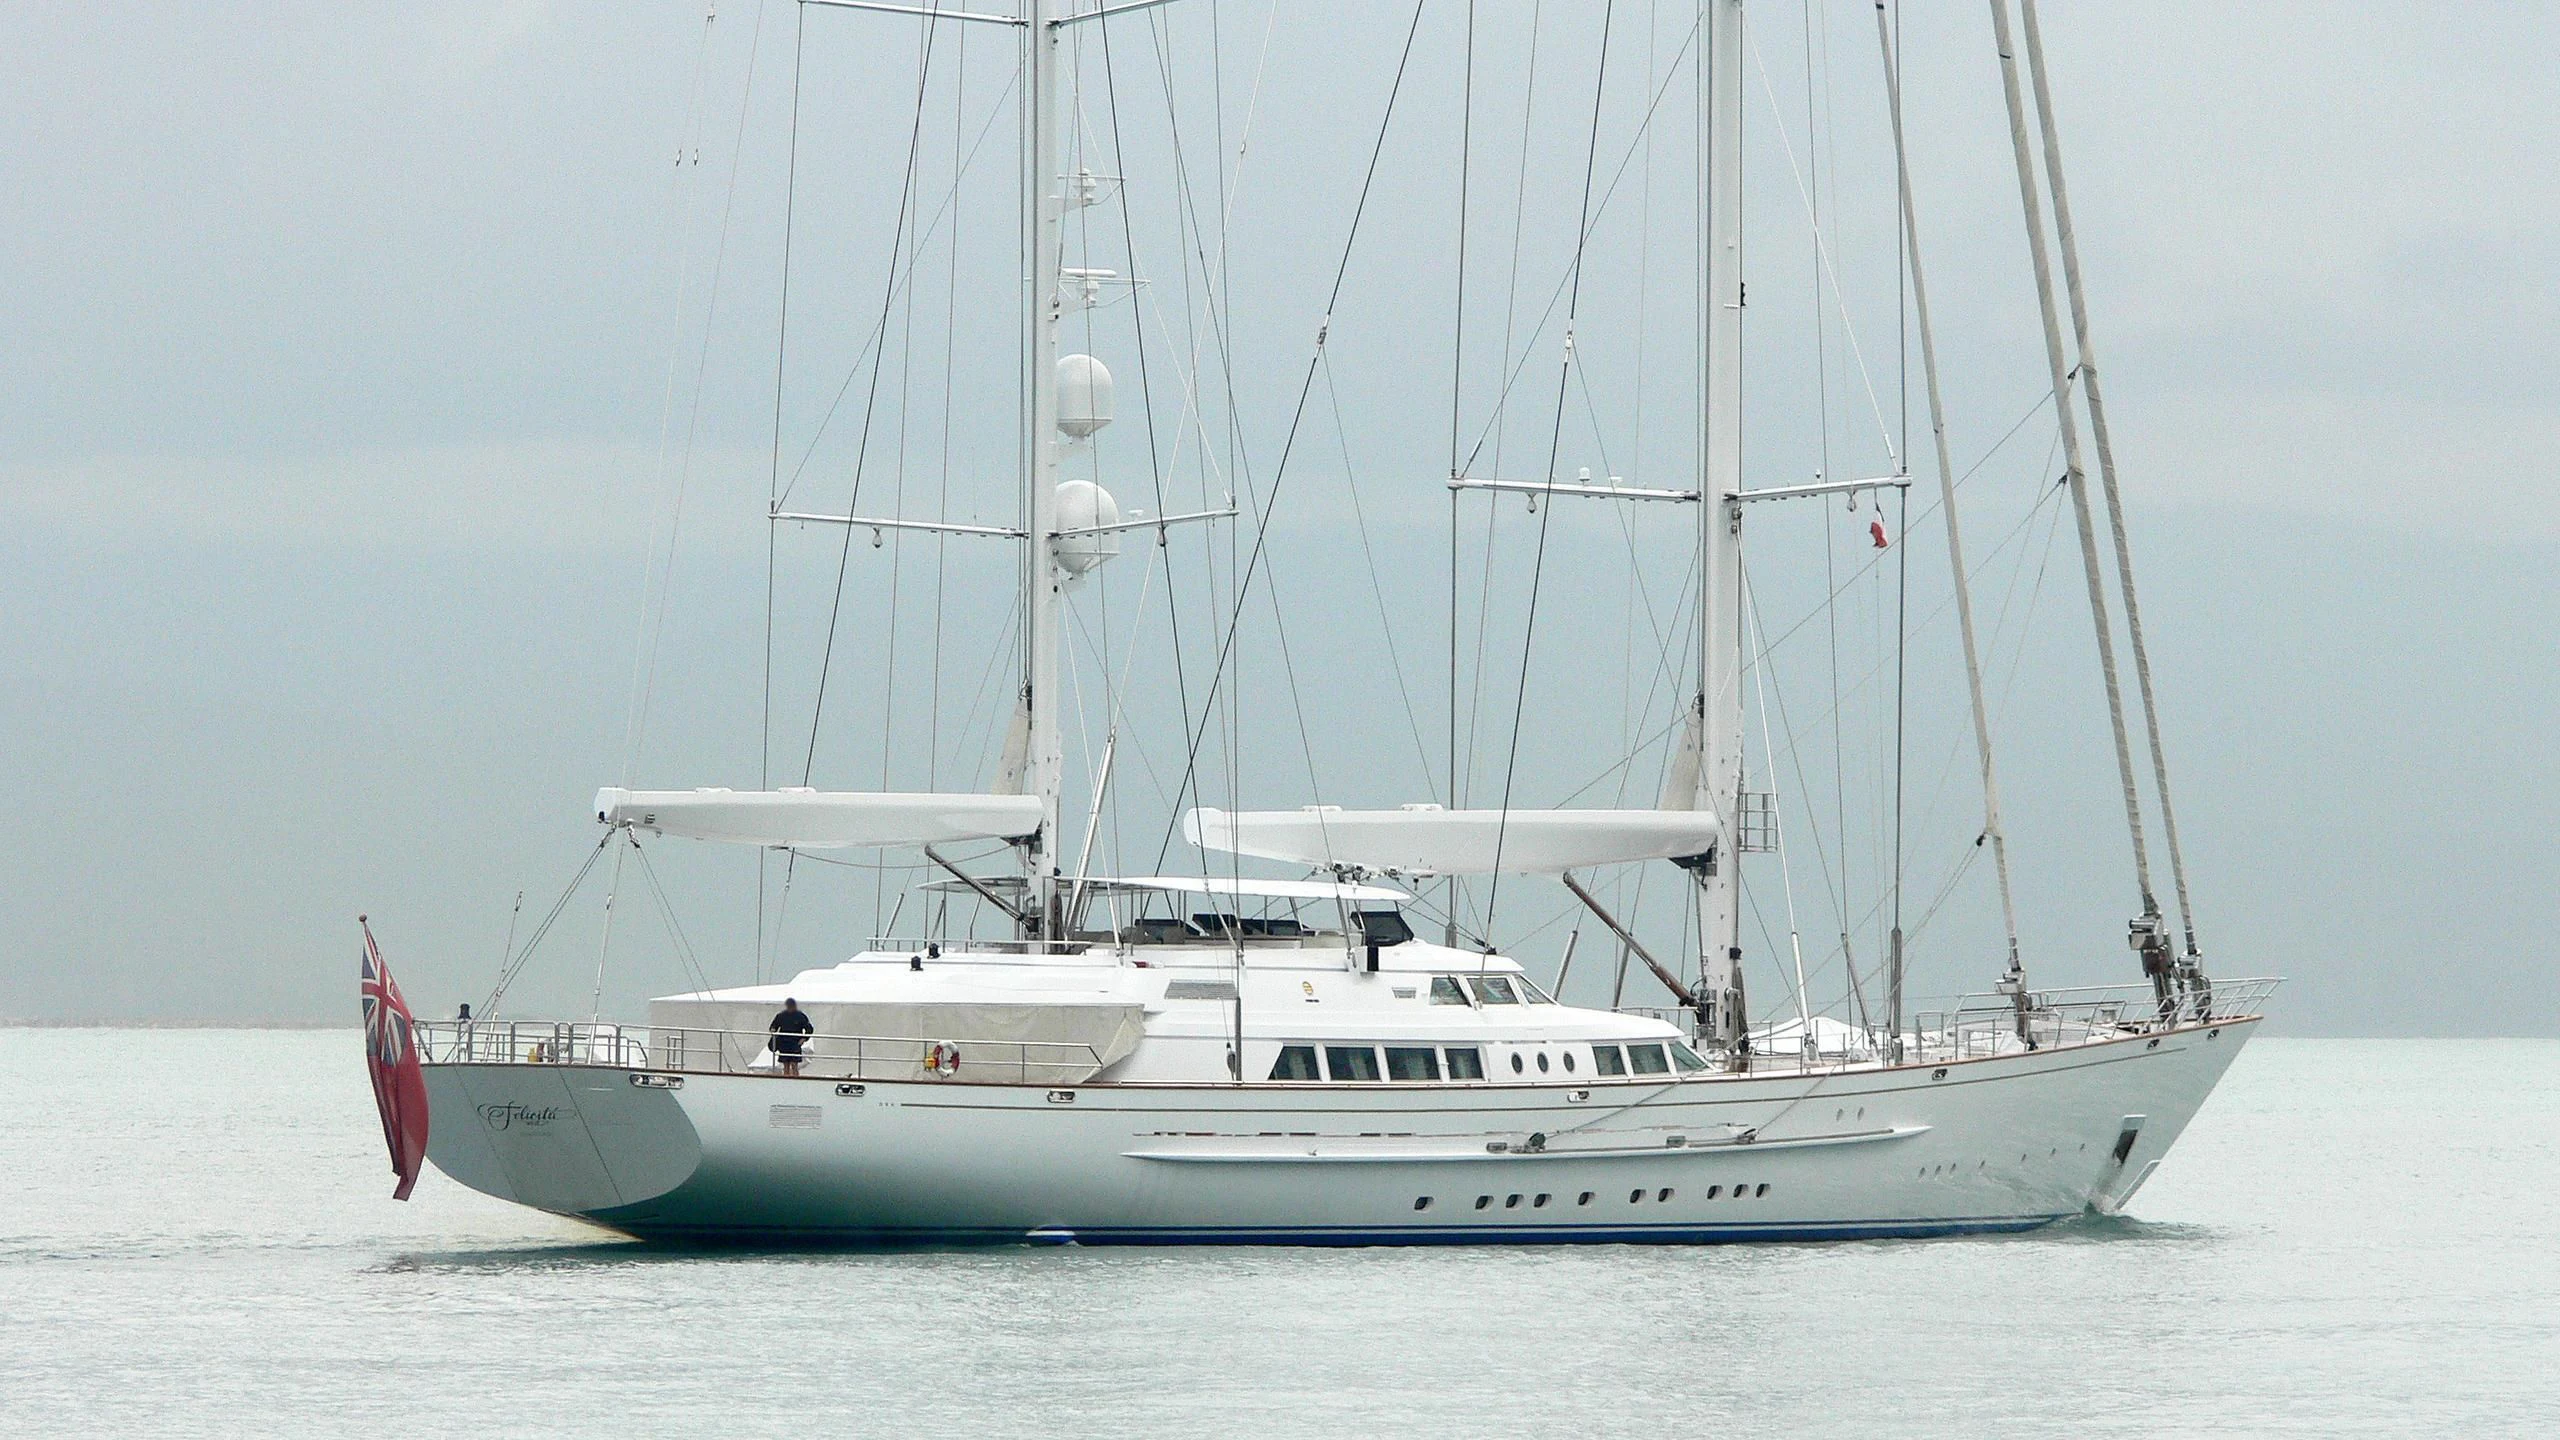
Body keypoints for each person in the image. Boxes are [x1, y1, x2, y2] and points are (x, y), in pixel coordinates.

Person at [768, 997, 815, 1077]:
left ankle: (796, 1079)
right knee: (786, 1065)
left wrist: (803, 1039)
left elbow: (809, 1029)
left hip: (795, 1044)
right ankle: (786, 1080)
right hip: (783, 1043)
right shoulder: (781, 1016)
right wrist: (773, 1030)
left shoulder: (800, 1016)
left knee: (794, 1065)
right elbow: (773, 1026)